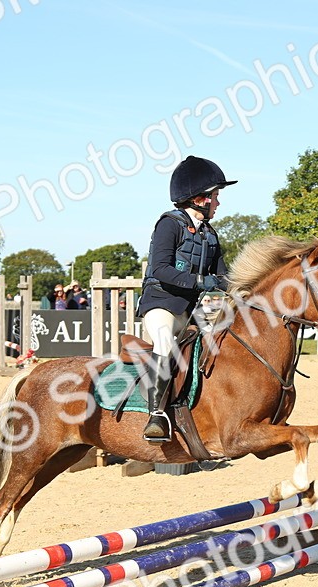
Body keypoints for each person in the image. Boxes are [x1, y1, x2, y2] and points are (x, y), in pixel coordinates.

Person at [136, 155, 233, 441]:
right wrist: (203, 282)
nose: (218, 202)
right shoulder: (169, 224)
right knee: (165, 342)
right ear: (200, 198)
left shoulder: (210, 235)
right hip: (161, 304)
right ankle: (156, 416)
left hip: (192, 311)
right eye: (215, 196)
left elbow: (224, 275)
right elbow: (161, 269)